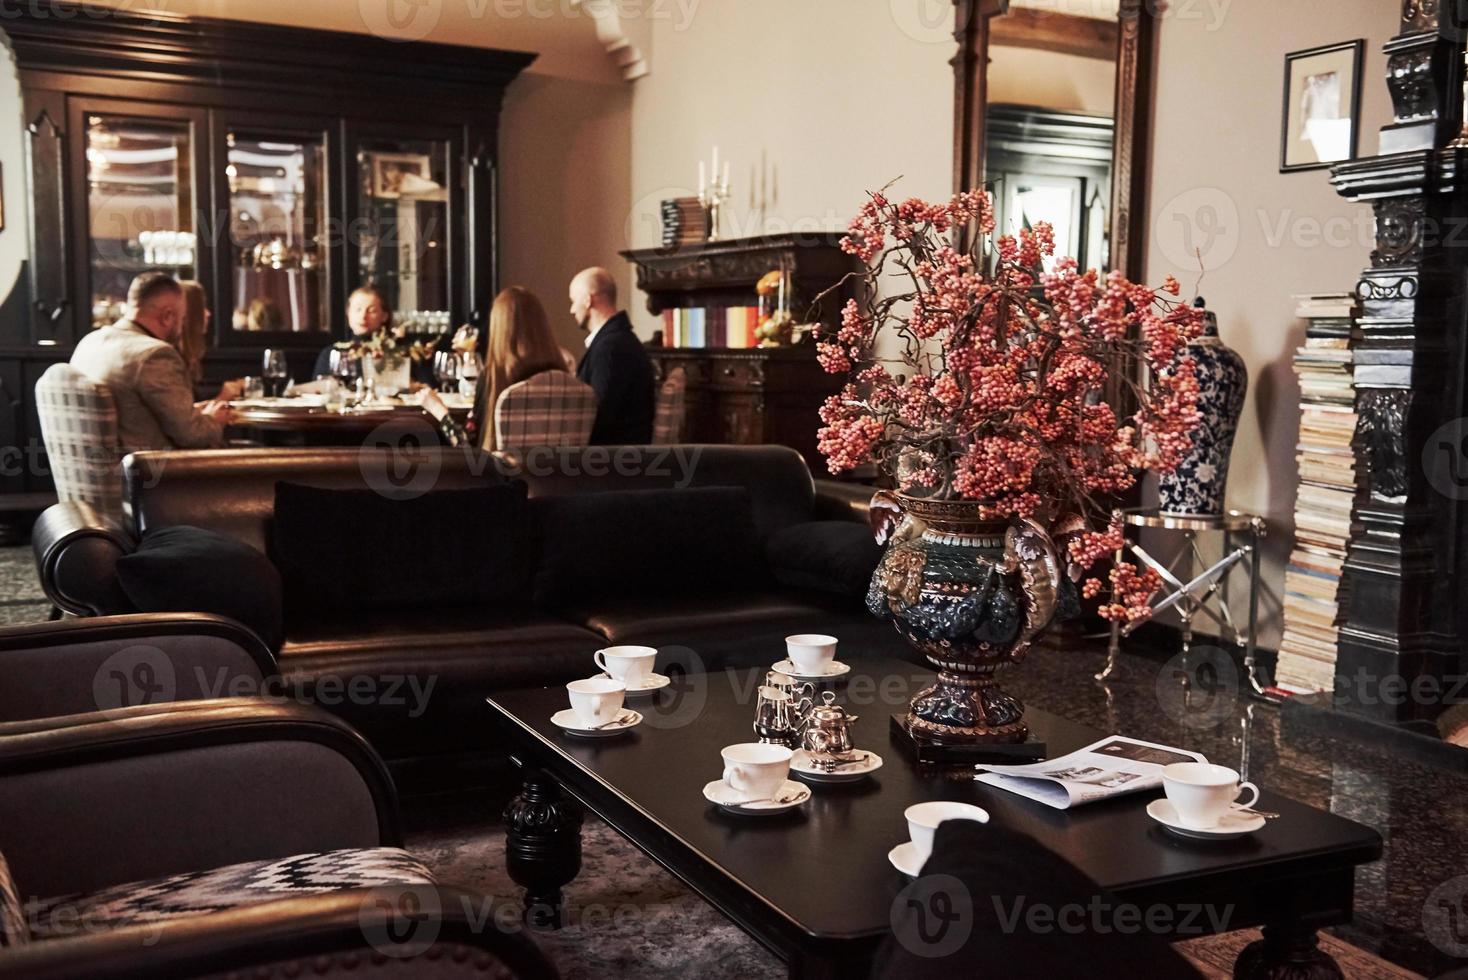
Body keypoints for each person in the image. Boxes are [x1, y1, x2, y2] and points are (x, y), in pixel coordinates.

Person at [70, 271, 232, 451]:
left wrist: (194, 412)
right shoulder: (154, 355)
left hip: (103, 473)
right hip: (156, 474)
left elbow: (135, 411)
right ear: (168, 316)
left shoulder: (89, 343)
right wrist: (214, 420)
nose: (181, 324)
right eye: (182, 317)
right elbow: (193, 434)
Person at [418, 286, 569, 450]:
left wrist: (439, 411)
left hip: (503, 475)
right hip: (565, 474)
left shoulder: (494, 379)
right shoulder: (571, 384)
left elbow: (467, 448)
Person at [569, 266, 653, 445]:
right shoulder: (620, 340)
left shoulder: (610, 348)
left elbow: (597, 416)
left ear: (587, 300)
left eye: (573, 300)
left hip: (612, 463)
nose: (571, 309)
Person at [176, 281, 243, 402]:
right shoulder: (172, 358)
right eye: (201, 308)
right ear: (190, 314)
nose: (208, 313)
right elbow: (185, 417)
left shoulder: (187, 356)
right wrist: (223, 397)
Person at [312, 285, 392, 380]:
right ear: (348, 313)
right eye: (358, 309)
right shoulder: (331, 354)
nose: (363, 316)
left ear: (384, 316)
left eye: (371, 311)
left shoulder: (397, 354)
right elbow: (319, 390)